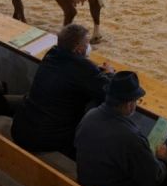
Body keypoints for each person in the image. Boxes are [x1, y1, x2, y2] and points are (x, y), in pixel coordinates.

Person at [75, 71, 167, 186]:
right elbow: (153, 179)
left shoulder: (89, 116)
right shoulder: (129, 137)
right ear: (129, 104)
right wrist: (163, 159)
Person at [12, 24, 114, 158]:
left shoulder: (51, 54)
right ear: (78, 49)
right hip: (47, 136)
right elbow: (108, 92)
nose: (89, 46)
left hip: (22, 126)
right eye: (87, 43)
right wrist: (110, 74)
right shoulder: (83, 67)